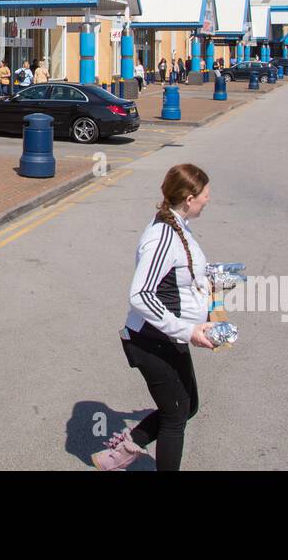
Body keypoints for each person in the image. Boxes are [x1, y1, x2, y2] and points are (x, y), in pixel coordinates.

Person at [94, 163, 216, 472]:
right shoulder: (162, 236)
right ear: (189, 198)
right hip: (152, 341)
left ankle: (122, 451)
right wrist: (188, 332)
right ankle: (123, 452)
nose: (208, 199)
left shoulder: (178, 225)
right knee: (175, 416)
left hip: (168, 337)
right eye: (205, 194)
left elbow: (180, 276)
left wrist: (213, 280)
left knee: (187, 406)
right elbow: (141, 294)